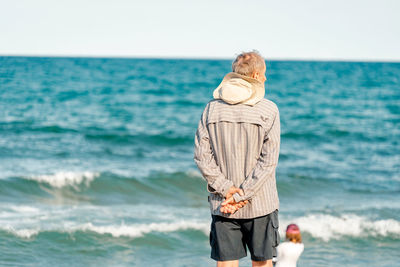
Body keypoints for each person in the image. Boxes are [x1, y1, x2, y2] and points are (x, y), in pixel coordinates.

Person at [194, 51, 281, 267]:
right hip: (260, 202)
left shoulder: (211, 109)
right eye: (264, 74)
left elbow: (202, 156)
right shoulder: (268, 109)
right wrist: (243, 195)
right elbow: (268, 161)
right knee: (262, 263)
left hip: (222, 202)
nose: (266, 79)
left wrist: (227, 190)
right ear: (255, 75)